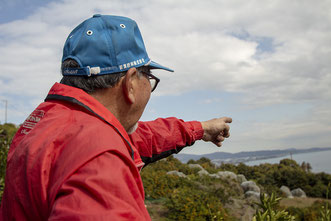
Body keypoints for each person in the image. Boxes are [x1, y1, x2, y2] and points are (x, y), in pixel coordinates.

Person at [0, 14, 232, 220]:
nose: (149, 86)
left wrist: (201, 128)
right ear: (130, 82)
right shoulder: (98, 157)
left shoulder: (51, 121)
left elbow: (141, 137)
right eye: (149, 77)